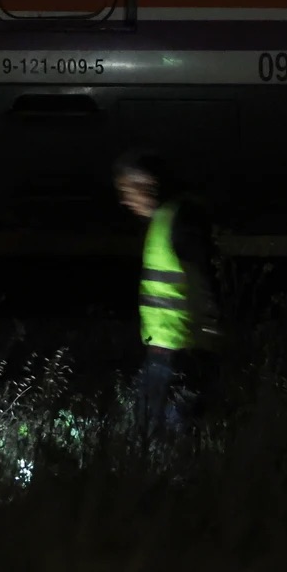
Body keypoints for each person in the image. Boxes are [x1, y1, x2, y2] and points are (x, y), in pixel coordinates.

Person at [112, 151, 222, 443]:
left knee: (165, 444)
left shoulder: (180, 219)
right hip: (169, 351)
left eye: (128, 190)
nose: (126, 200)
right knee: (156, 441)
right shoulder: (166, 219)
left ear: (147, 182)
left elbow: (207, 280)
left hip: (179, 354)